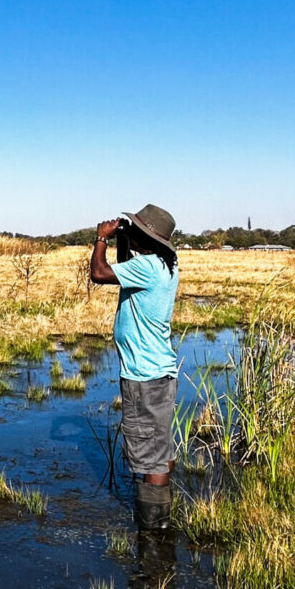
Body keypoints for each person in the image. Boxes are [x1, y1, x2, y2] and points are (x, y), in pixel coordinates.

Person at [89, 204, 179, 530]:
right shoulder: (165, 264)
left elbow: (99, 273)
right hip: (160, 372)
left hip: (144, 377)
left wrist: (101, 239)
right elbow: (128, 266)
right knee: (160, 445)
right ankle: (162, 519)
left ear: (147, 239)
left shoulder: (147, 268)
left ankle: (154, 531)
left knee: (150, 453)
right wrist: (124, 239)